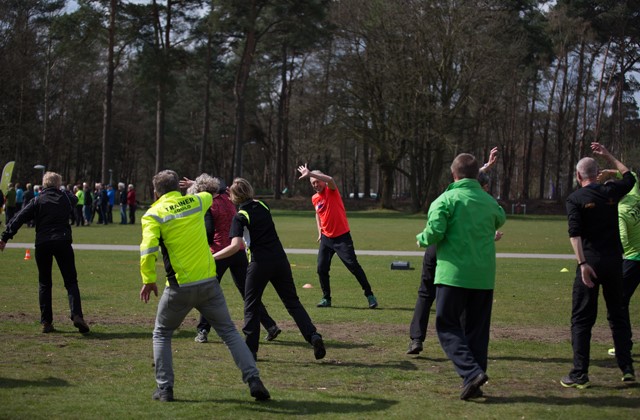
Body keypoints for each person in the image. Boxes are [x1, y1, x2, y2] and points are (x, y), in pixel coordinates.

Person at [139, 170, 270, 403]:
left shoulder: (153, 214)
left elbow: (148, 250)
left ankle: (165, 388)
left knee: (161, 333)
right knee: (229, 332)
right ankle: (253, 379)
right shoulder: (197, 201)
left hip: (179, 286)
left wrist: (148, 279)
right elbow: (219, 189)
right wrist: (196, 184)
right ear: (179, 188)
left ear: (155, 191)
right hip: (209, 282)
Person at [416, 152, 506, 400]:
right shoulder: (488, 201)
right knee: (477, 330)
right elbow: (501, 218)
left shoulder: (446, 199)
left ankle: (471, 371)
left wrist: (420, 238)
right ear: (477, 175)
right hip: (483, 276)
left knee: (446, 325)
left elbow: (434, 233)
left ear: (453, 174)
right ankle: (473, 380)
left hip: (453, 275)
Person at [214, 177, 326, 361]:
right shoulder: (264, 206)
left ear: (233, 196)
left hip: (259, 263)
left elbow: (235, 246)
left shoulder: (240, 216)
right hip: (281, 260)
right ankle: (313, 335)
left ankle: (250, 351)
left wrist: (213, 257)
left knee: (251, 305)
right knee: (292, 302)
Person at [407, 148, 500, 356]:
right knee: (462, 297)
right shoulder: (466, 193)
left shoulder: (448, 193)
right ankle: (464, 343)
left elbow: (465, 176)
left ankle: (416, 338)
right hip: (451, 248)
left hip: (436, 244)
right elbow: (469, 182)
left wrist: (422, 239)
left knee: (425, 292)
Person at [561, 142, 636, 388]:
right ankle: (627, 368)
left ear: (578, 175)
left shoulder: (575, 199)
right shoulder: (611, 191)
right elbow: (630, 177)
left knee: (582, 318)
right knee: (618, 315)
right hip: (614, 262)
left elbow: (575, 234)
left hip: (590, 262)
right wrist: (609, 156)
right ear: (597, 174)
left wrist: (582, 263)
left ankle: (580, 373)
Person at [181, 174, 282, 345]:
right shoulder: (229, 197)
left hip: (219, 252)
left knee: (207, 293)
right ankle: (270, 325)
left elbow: (208, 231)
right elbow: (220, 185)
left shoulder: (208, 205)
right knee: (248, 294)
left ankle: (203, 330)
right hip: (238, 251)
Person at [0, 172, 90, 334]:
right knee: (70, 281)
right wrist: (64, 190)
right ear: (58, 185)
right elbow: (75, 199)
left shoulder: (37, 200)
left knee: (45, 283)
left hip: (43, 242)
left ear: (43, 185)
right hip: (62, 241)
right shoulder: (65, 198)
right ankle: (77, 315)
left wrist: (5, 237)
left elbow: (19, 217)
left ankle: (46, 322)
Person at [296, 164, 378, 309]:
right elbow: (318, 213)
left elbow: (331, 179)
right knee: (321, 268)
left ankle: (369, 295)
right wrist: (319, 231)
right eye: (313, 183)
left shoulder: (331, 190)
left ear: (322, 181)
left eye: (317, 181)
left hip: (342, 238)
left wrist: (310, 174)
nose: (316, 185)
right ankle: (326, 298)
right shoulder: (315, 198)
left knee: (353, 266)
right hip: (327, 239)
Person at [597, 169, 640, 358]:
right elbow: (632, 175)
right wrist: (610, 170)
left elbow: (621, 239)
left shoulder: (619, 210)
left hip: (632, 260)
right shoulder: (635, 195)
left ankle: (624, 344)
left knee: (619, 303)